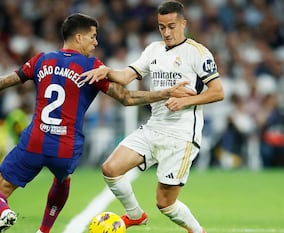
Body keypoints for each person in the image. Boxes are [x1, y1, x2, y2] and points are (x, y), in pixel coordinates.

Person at [0, 13, 194, 233]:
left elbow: (2, 83)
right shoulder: (92, 67)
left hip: (35, 139)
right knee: (62, 179)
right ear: (78, 37)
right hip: (66, 146)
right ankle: (44, 230)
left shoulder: (42, 59)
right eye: (92, 37)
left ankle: (5, 211)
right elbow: (127, 98)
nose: (96, 42)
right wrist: (166, 93)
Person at [81, 1, 224, 232]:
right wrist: (107, 71)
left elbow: (218, 92)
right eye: (161, 27)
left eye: (171, 26)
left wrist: (185, 100)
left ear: (183, 24)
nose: (166, 32)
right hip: (153, 127)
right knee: (111, 168)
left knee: (165, 204)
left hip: (181, 136)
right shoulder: (153, 50)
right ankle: (135, 215)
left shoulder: (198, 53)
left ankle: (198, 231)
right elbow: (127, 76)